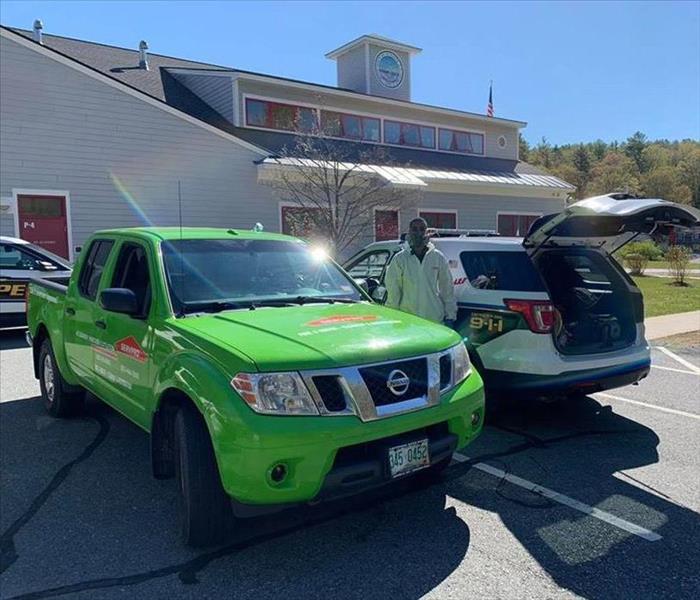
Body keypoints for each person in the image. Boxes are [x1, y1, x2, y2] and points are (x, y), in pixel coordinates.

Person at [384, 217, 458, 327]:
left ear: (426, 232)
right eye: (414, 229)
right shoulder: (400, 259)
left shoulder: (437, 257)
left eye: (422, 229)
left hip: (434, 319)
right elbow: (393, 292)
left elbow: (447, 288)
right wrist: (392, 318)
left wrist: (450, 315)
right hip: (408, 320)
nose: (418, 232)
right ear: (409, 232)